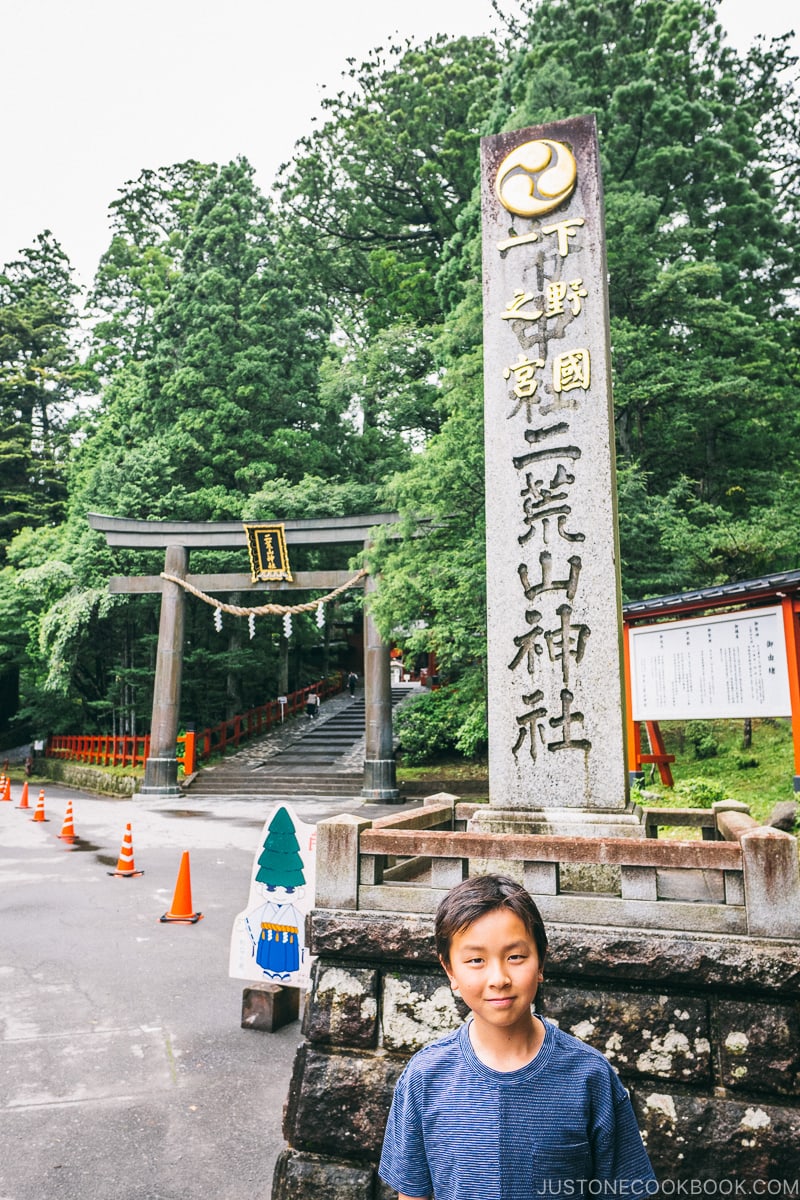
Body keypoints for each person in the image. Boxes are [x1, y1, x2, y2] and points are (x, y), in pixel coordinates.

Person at [379, 874, 657, 1200]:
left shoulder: (589, 1076)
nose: (499, 978)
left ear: (541, 960)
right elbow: (412, 1194)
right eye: (476, 960)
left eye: (515, 957)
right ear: (450, 970)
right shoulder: (424, 1078)